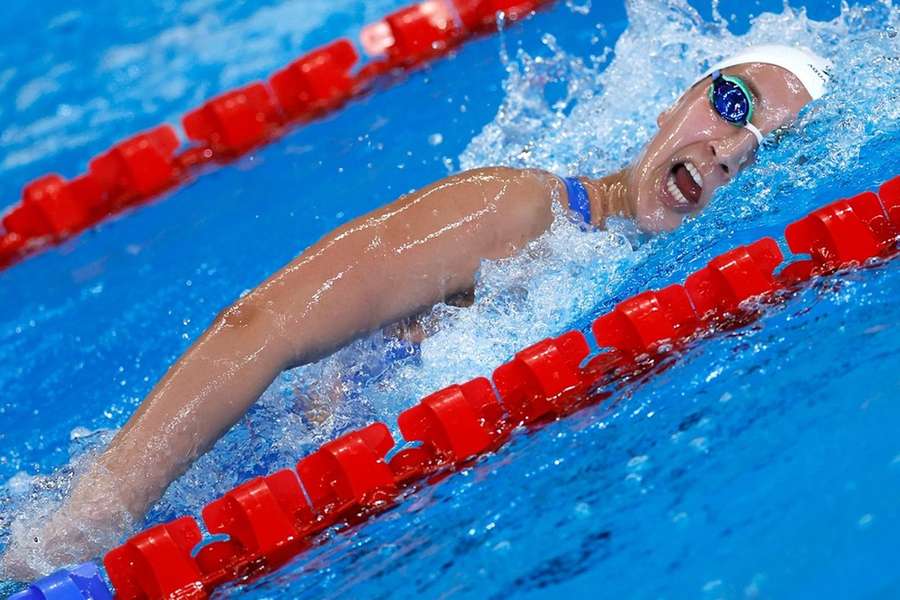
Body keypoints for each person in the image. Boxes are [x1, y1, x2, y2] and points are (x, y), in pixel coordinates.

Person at [1, 44, 831, 579]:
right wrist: (82, 527)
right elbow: (260, 326)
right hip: (232, 525)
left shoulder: (634, 272)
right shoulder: (522, 210)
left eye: (767, 144)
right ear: (677, 97)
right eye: (731, 104)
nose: (732, 146)